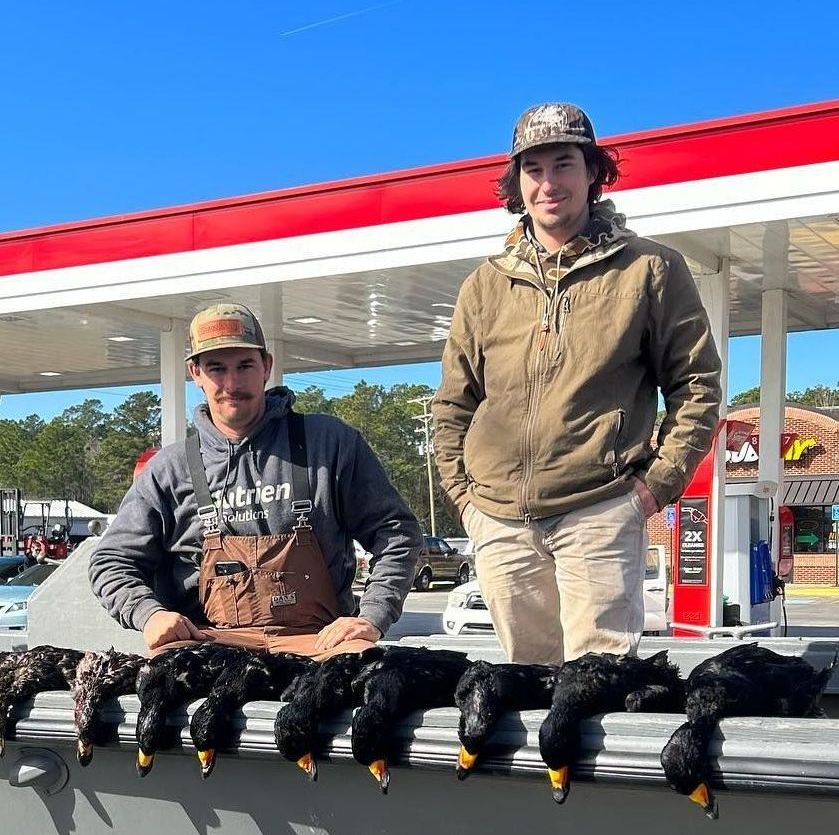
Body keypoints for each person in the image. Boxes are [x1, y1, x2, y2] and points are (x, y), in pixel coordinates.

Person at [433, 102, 722, 665]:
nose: (549, 182)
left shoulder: (650, 270)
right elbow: (453, 401)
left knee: (598, 688)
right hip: (498, 521)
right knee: (526, 688)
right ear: (516, 183)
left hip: (601, 510)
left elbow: (697, 384)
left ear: (593, 170)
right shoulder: (485, 285)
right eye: (533, 169)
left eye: (563, 163)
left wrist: (654, 487)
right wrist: (465, 500)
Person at [90, 302, 422, 657]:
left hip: (320, 644)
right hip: (208, 646)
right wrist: (149, 614)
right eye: (216, 368)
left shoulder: (330, 444)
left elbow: (396, 532)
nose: (232, 383)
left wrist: (371, 617)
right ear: (195, 373)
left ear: (266, 366)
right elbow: (110, 562)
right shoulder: (169, 470)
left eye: (245, 365)